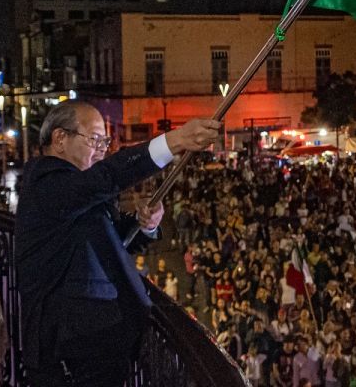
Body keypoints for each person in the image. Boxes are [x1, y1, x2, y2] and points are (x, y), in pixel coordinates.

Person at [16, 100, 220, 385]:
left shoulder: (72, 190)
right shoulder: (48, 184)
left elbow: (102, 242)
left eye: (105, 141)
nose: (101, 148)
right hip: (70, 354)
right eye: (94, 139)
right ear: (60, 139)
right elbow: (107, 177)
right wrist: (175, 141)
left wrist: (142, 223)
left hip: (93, 346)